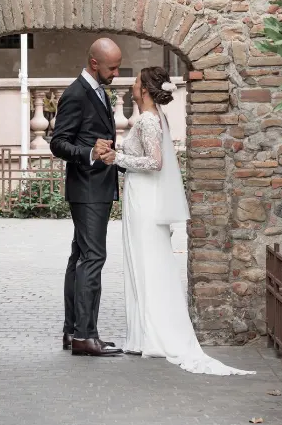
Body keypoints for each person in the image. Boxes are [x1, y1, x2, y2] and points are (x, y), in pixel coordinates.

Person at [99, 65, 254, 376]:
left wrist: (118, 159)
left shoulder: (147, 120)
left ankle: (153, 336)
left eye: (135, 80)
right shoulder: (151, 119)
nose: (131, 83)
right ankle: (143, 334)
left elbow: (155, 163)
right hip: (139, 193)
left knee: (148, 263)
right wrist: (116, 153)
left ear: (143, 89)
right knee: (143, 262)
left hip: (144, 197)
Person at [50, 37, 124, 357]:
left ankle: (72, 330)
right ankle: (85, 336)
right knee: (93, 259)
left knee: (79, 258)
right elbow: (58, 143)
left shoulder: (98, 91)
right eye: (113, 67)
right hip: (88, 189)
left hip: (95, 188)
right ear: (95, 64)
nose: (117, 73)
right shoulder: (75, 94)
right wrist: (90, 154)